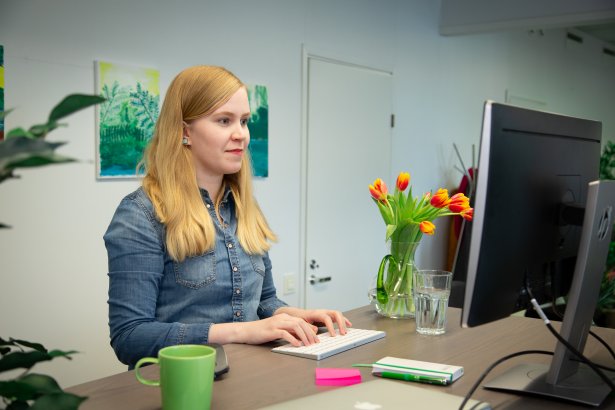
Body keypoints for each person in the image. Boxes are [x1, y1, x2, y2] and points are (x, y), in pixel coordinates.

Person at [104, 65, 351, 368]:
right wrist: (242, 332)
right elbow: (130, 337)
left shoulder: (243, 207)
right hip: (178, 389)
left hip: (246, 381)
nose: (241, 135)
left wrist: (292, 315)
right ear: (184, 131)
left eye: (244, 121)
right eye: (224, 121)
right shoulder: (140, 215)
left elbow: (263, 300)